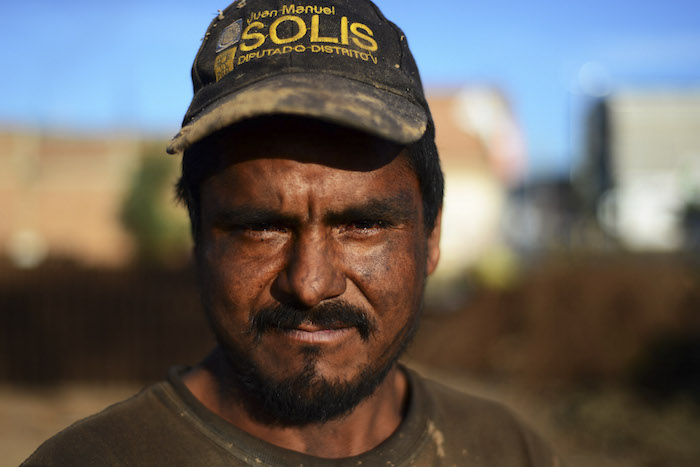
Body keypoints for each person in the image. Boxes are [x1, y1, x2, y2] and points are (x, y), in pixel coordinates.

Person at [24, 0, 561, 465]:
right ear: (199, 241)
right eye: (260, 228)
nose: (309, 284)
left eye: (362, 224)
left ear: (431, 239)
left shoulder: (509, 450)